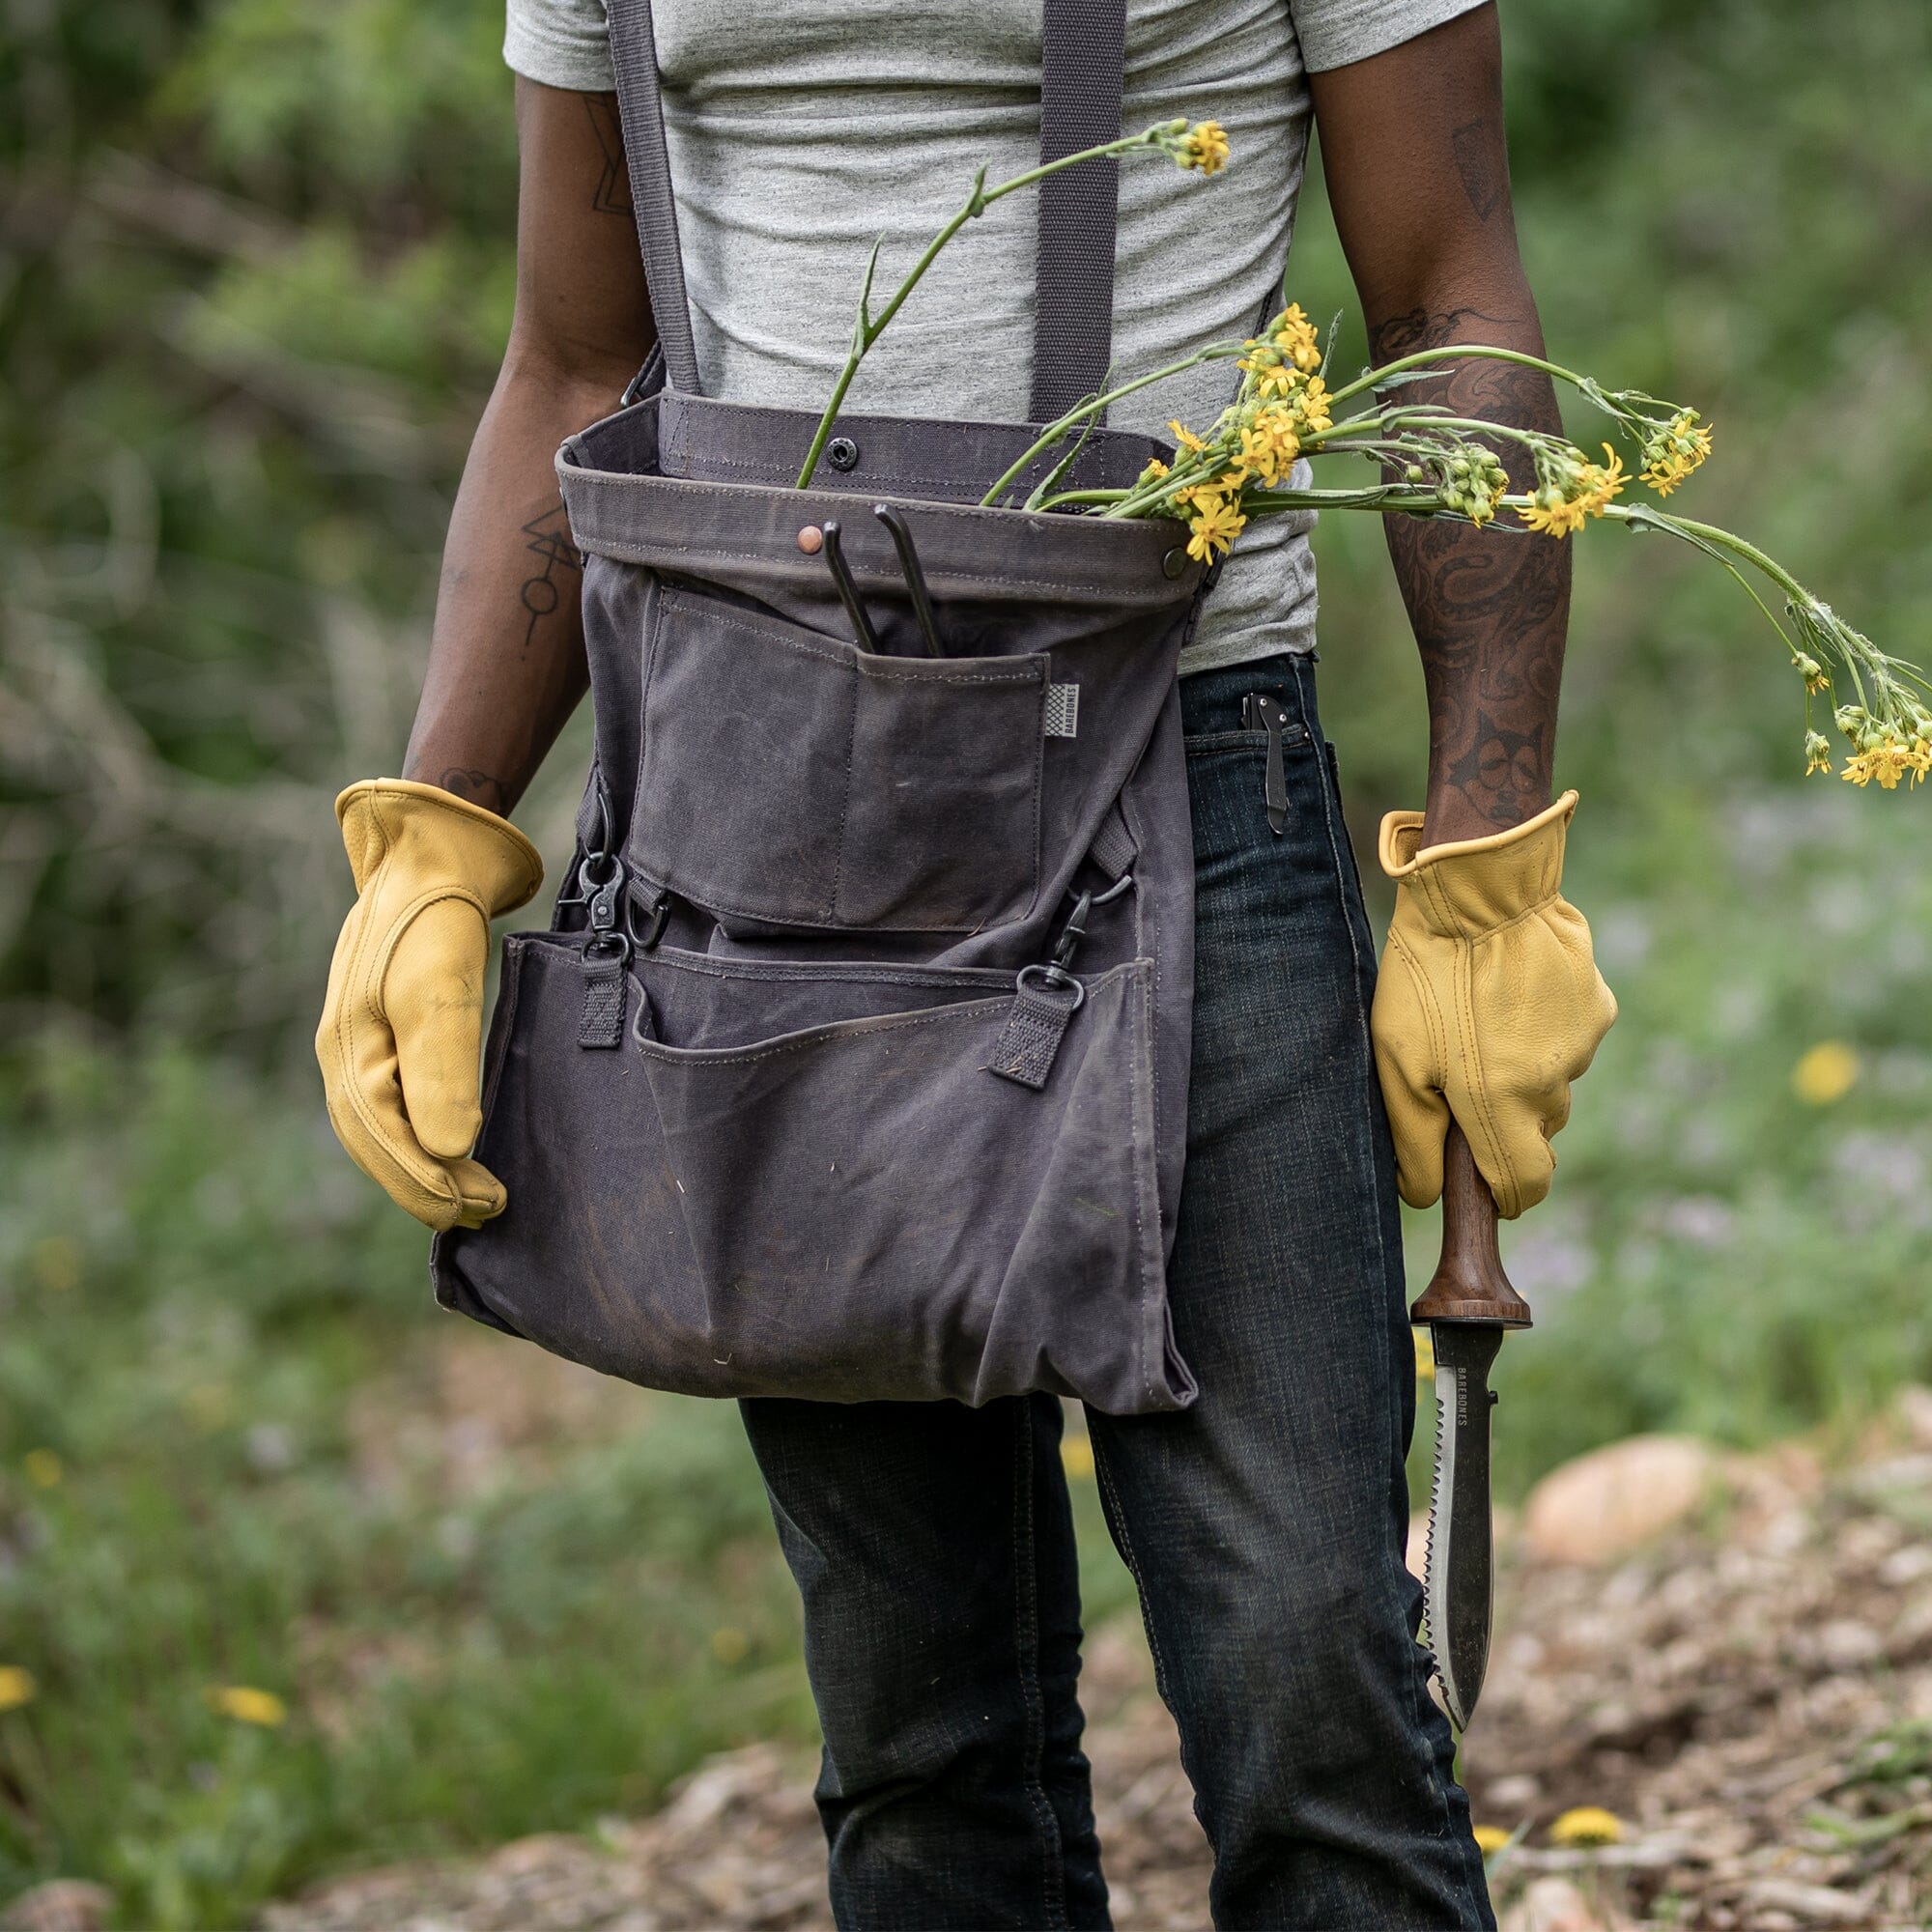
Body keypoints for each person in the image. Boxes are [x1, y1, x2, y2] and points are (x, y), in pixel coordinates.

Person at [317, 1, 1616, 1923]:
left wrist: (1483, 863)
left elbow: (1444, 297)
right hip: (769, 813)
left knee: (1307, 1674)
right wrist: (434, 836)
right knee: (923, 1735)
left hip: (1184, 774)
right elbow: (578, 352)